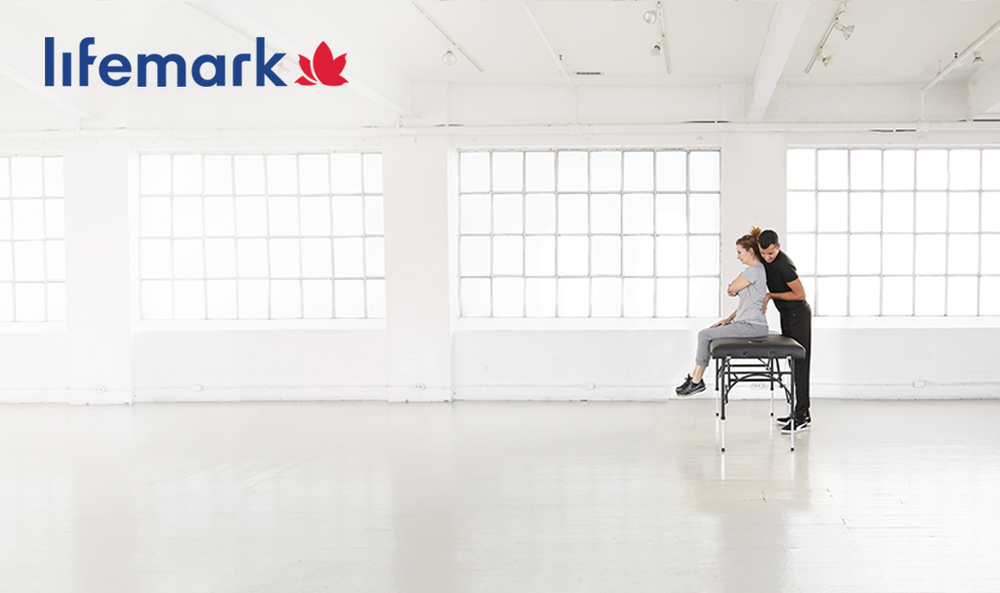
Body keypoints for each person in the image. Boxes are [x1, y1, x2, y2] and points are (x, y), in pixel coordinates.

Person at [675, 227, 769, 397]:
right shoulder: (757, 270)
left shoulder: (753, 270)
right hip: (749, 324)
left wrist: (735, 285)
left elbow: (732, 288)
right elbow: (745, 303)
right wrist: (728, 320)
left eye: (740, 252)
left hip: (751, 326)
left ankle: (696, 381)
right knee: (707, 333)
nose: (738, 257)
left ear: (750, 251)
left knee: (704, 335)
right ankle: (695, 379)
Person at [758, 229, 812, 434]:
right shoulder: (766, 258)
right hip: (787, 315)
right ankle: (800, 412)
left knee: (800, 364)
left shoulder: (784, 265)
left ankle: (801, 416)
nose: (767, 258)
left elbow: (800, 294)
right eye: (764, 254)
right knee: (793, 363)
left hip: (799, 316)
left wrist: (772, 295)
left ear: (778, 247)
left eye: (771, 253)